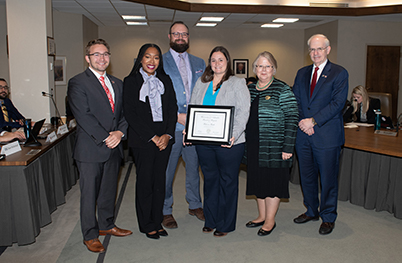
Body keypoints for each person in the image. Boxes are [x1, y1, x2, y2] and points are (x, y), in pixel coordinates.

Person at [67, 39, 132, 253]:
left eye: (105, 54)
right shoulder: (78, 82)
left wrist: (120, 133)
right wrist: (108, 137)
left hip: (113, 148)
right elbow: (83, 117)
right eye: (96, 54)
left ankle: (107, 225)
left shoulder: (117, 83)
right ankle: (90, 235)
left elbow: (124, 114)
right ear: (87, 58)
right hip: (90, 149)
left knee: (108, 191)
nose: (102, 58)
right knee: (89, 195)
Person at [189, 46, 250, 237]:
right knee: (210, 181)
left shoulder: (237, 83)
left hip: (230, 142)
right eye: (213, 60)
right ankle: (211, 219)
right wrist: (189, 131)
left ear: (227, 62)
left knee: (228, 181)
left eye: (220, 60)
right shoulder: (201, 82)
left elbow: (243, 112)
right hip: (204, 142)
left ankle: (226, 223)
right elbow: (193, 107)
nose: (216, 64)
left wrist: (233, 133)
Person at [292, 34, 348, 235]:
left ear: (328, 49)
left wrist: (313, 121)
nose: (315, 53)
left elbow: (337, 104)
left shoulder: (339, 73)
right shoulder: (302, 73)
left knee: (328, 179)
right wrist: (303, 121)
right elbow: (295, 100)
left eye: (319, 49)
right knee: (306, 177)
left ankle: (328, 216)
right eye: (312, 50)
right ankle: (311, 211)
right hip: (303, 135)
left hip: (327, 136)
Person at [123, 43, 178, 239]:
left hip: (164, 140)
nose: (152, 61)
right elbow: (130, 114)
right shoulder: (130, 81)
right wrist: (153, 137)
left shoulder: (166, 80)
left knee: (159, 182)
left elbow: (172, 109)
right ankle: (147, 224)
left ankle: (157, 221)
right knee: (145, 182)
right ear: (140, 59)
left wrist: (167, 135)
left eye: (156, 57)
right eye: (148, 57)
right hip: (143, 140)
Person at [244, 51, 298, 236]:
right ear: (255, 69)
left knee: (272, 183)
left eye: (267, 66)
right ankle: (261, 216)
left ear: (273, 68)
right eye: (260, 66)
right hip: (253, 145)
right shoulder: (249, 89)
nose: (263, 69)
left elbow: (292, 117)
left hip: (275, 146)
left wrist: (288, 147)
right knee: (259, 182)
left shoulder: (282, 89)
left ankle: (270, 220)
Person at [162, 21, 206, 228]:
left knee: (193, 169)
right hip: (172, 128)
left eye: (184, 34)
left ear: (189, 37)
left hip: (196, 128)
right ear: (169, 36)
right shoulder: (159, 62)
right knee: (167, 172)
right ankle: (165, 209)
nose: (181, 37)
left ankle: (195, 204)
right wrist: (175, 116)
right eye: (176, 34)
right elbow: (156, 97)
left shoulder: (199, 63)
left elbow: (206, 93)